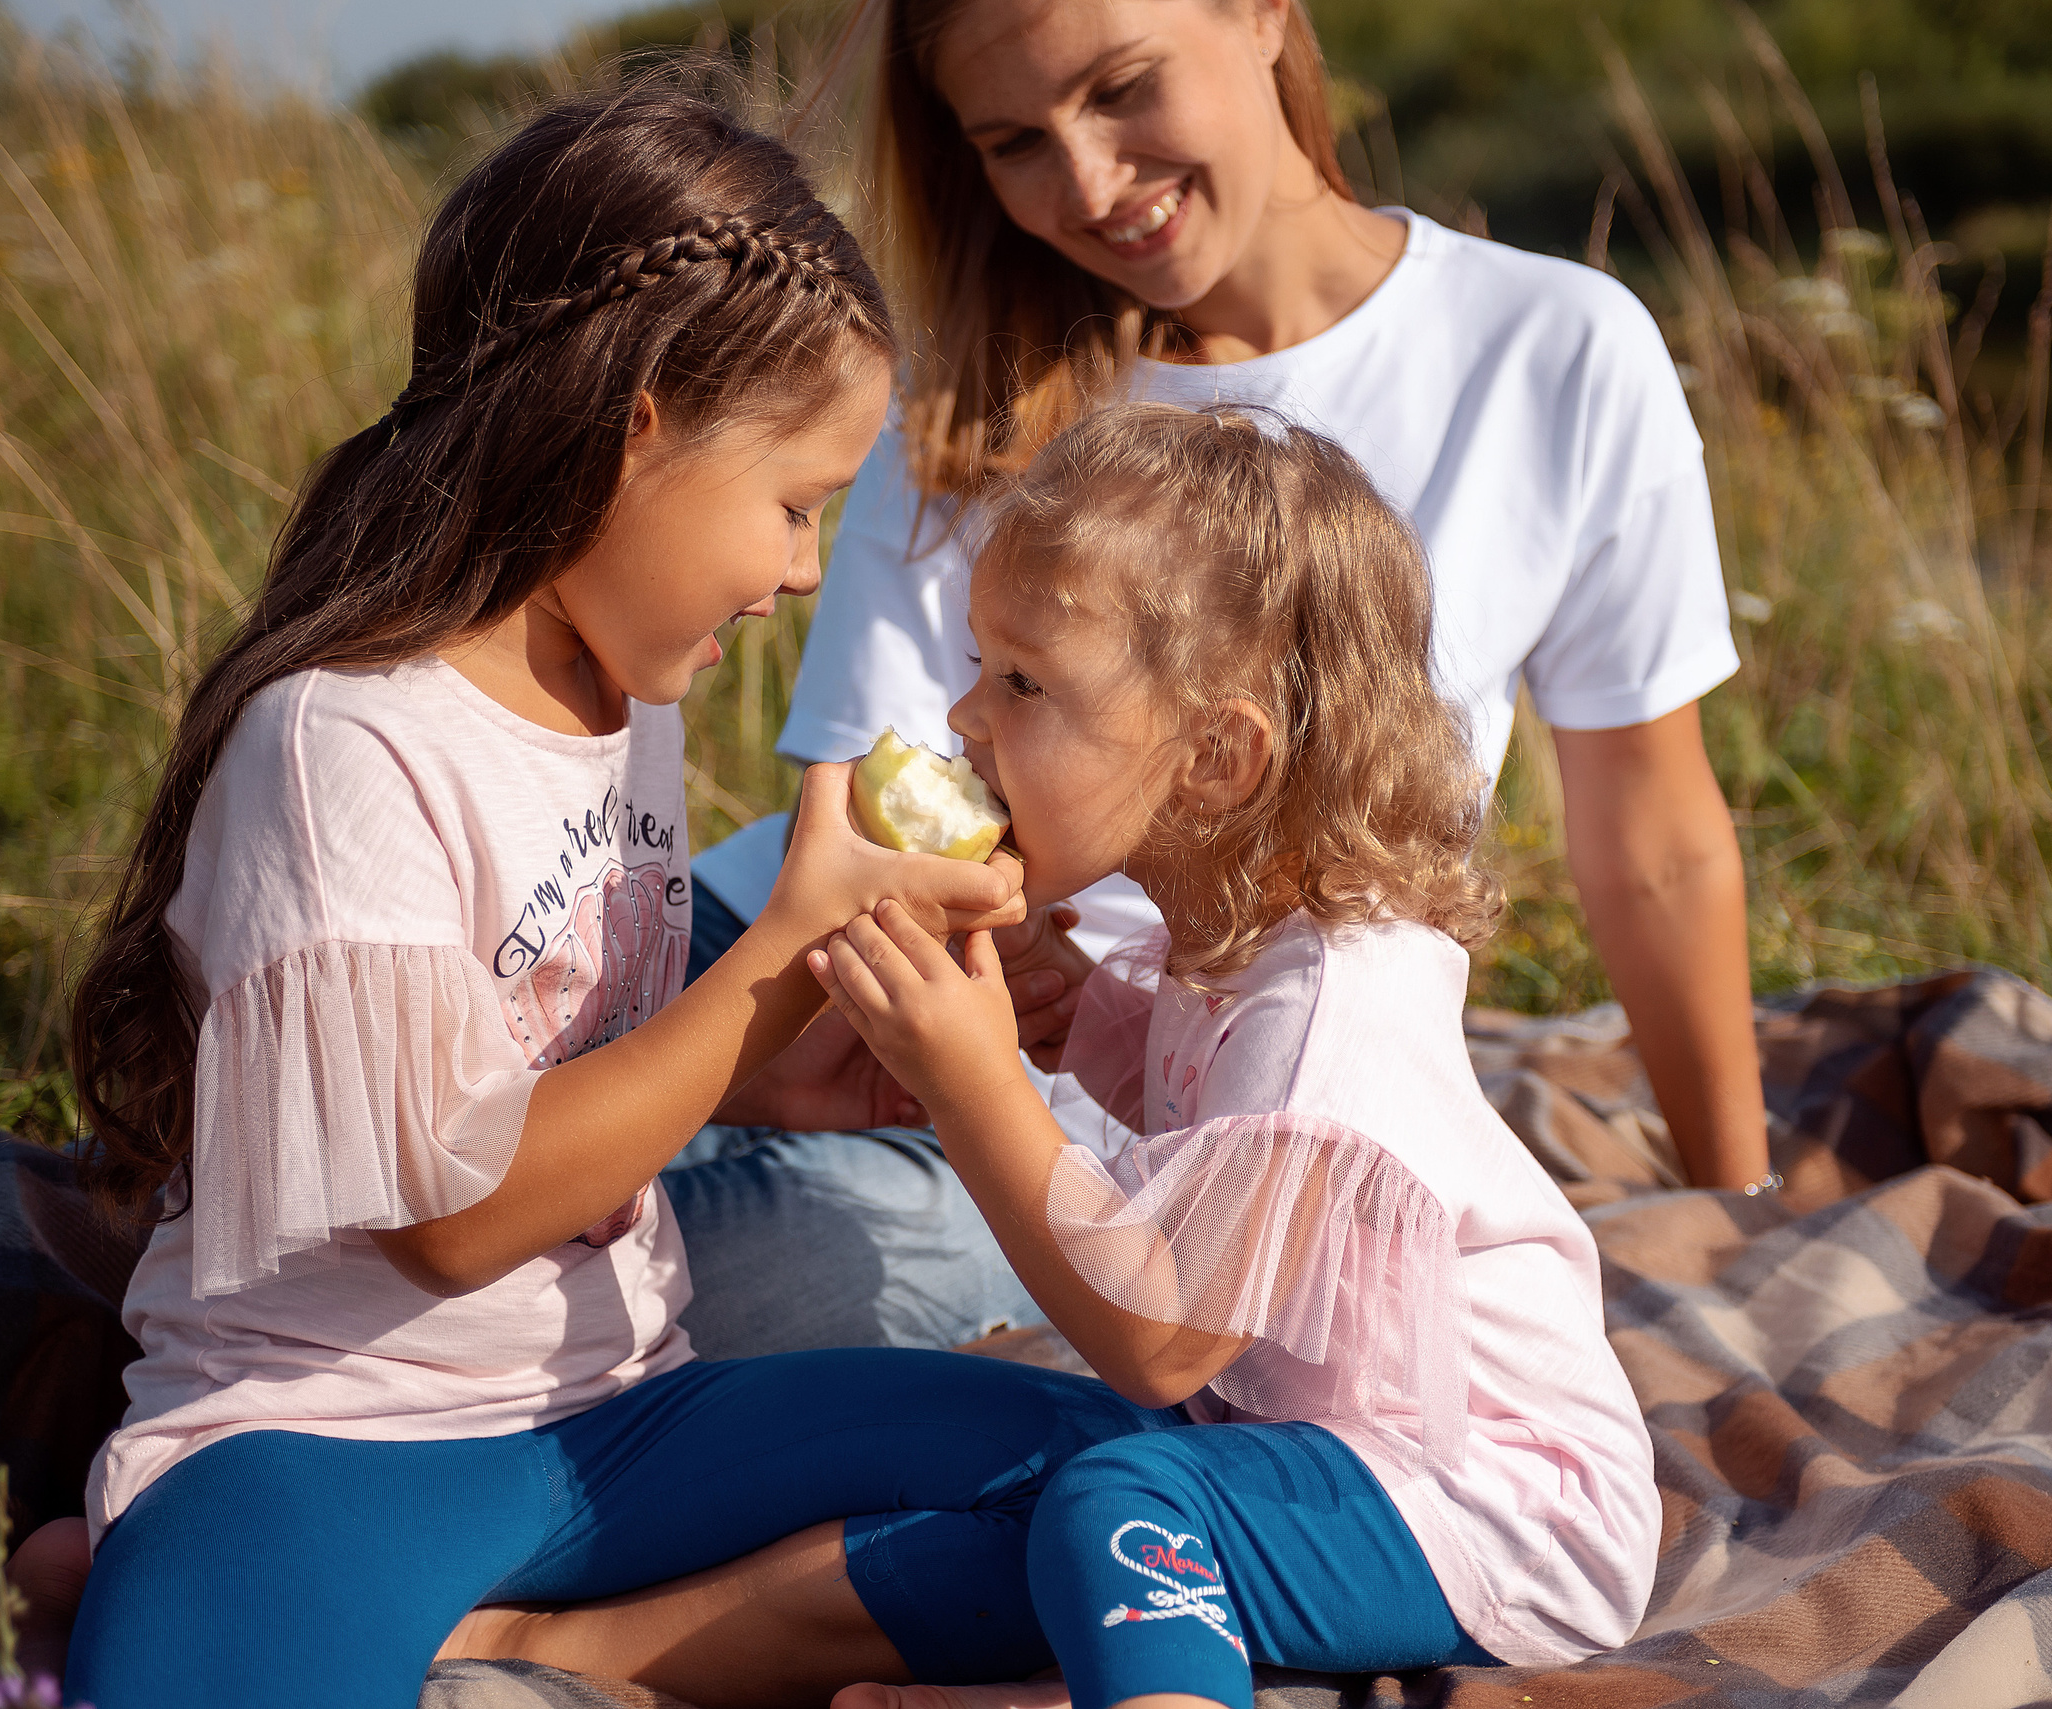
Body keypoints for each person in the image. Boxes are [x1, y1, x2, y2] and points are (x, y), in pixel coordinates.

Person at [48, 85, 1191, 1709]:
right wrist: (781, 959)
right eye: (795, 503)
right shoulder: (345, 739)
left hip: (620, 1417)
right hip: (329, 1439)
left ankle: (548, 1647)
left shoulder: (630, 705)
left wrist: (810, 1075)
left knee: (1126, 1490)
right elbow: (448, 1218)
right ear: (634, 421)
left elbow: (587, 1071)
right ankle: (174, 1572)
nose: (806, 569)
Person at [452, 403, 1660, 1707]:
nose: (966, 715)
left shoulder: (1334, 1006)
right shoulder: (1232, 943)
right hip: (1283, 1452)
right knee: (996, 1478)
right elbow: (1193, 1114)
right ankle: (532, 1653)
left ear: (1215, 756)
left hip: (1485, 1507)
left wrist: (977, 1085)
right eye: (980, 664)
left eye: (1025, 683)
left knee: (1118, 1493)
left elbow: (1160, 1334)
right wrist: (1059, 1010)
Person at [678, 0, 1769, 1344]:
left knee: (708, 1283)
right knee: (456, 1172)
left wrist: (1741, 1208)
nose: (1085, 183)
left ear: (1262, 15)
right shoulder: (978, 385)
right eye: (1016, 141)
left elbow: (1654, 842)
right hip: (795, 956)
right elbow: (866, 809)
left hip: (1091, 1105)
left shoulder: (1556, 352)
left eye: (1124, 87)